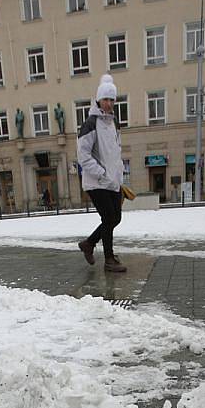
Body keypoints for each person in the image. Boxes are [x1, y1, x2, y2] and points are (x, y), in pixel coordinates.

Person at [76, 74, 126, 272]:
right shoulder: (91, 123)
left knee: (116, 218)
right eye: (106, 99)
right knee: (109, 218)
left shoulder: (114, 123)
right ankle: (108, 259)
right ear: (98, 100)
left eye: (112, 99)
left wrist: (118, 177)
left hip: (112, 181)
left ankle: (89, 244)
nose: (109, 103)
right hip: (96, 182)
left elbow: (116, 153)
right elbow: (83, 155)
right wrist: (102, 173)